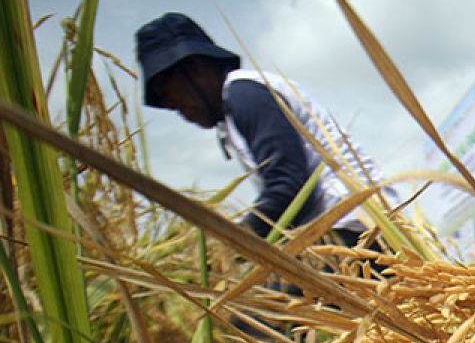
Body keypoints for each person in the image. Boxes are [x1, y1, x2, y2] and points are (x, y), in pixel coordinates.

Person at [135, 13, 398, 267]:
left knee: (255, 313)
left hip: (358, 229)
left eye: (166, 90)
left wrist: (230, 245)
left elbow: (289, 186)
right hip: (334, 233)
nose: (170, 104)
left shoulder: (245, 94)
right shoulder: (234, 112)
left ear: (194, 68)